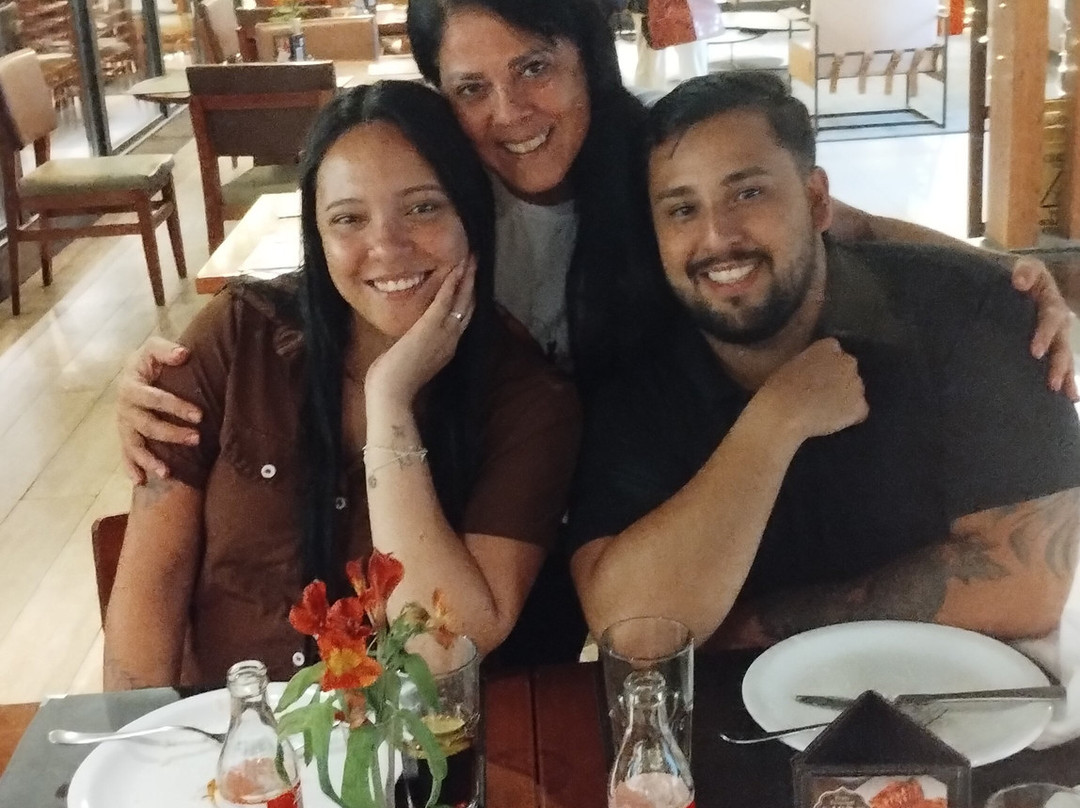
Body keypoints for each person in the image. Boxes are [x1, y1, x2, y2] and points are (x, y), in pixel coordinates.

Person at [568, 72, 1080, 650]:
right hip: (737, 704)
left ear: (816, 201)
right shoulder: (639, 372)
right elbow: (631, 630)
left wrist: (761, 628)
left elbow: (1034, 581)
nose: (717, 236)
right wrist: (772, 426)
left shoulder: (968, 312)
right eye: (682, 209)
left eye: (747, 193)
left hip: (960, 688)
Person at [103, 81, 581, 689]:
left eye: (423, 208)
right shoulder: (239, 335)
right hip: (229, 734)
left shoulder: (529, 400)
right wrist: (142, 741)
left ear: (473, 214)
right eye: (348, 219)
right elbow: (149, 598)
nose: (386, 246)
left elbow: (443, 649)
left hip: (423, 741)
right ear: (318, 235)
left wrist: (390, 403)